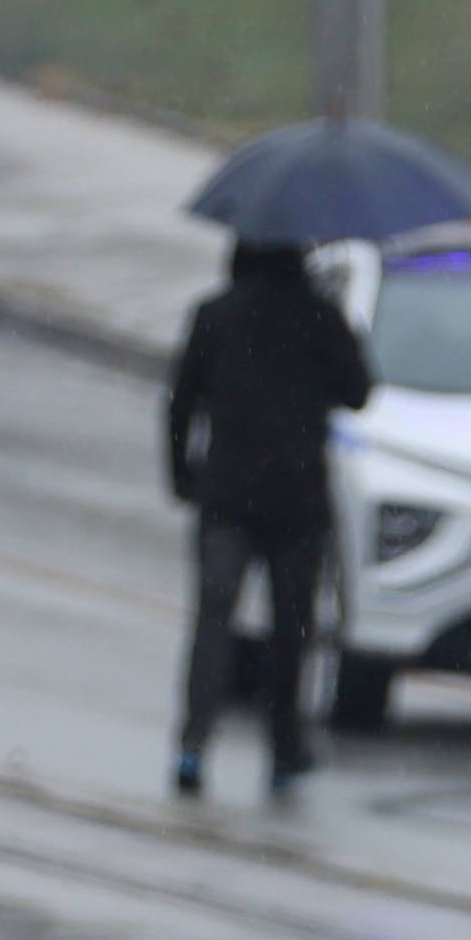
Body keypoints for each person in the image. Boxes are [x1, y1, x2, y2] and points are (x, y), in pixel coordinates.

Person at [163, 234, 370, 798]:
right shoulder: (320, 317)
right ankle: (284, 747)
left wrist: (183, 472)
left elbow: (182, 399)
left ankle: (193, 744)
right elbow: (357, 392)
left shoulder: (215, 315)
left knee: (213, 622)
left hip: (226, 492)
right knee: (292, 629)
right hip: (296, 498)